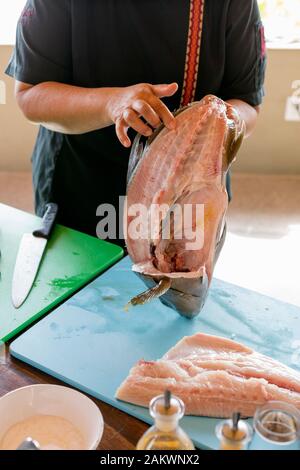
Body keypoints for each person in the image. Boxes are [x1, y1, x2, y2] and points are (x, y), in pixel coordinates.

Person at [6, 0, 266, 244]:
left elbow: (247, 105)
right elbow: (31, 94)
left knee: (176, 285)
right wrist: (111, 102)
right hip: (81, 181)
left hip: (188, 193)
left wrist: (218, 119)